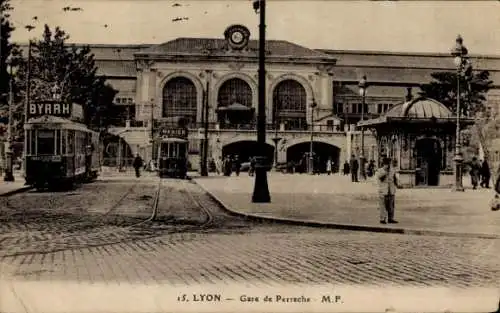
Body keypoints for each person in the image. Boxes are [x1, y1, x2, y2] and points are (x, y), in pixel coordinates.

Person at [375, 157, 399, 224]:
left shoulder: (392, 170)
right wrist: (386, 172)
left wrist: (397, 185)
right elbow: (380, 178)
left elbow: (395, 179)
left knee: (391, 206)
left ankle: (391, 218)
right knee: (383, 206)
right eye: (386, 164)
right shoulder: (380, 170)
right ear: (384, 164)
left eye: (389, 164)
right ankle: (382, 219)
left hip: (391, 190)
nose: (388, 165)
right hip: (383, 191)